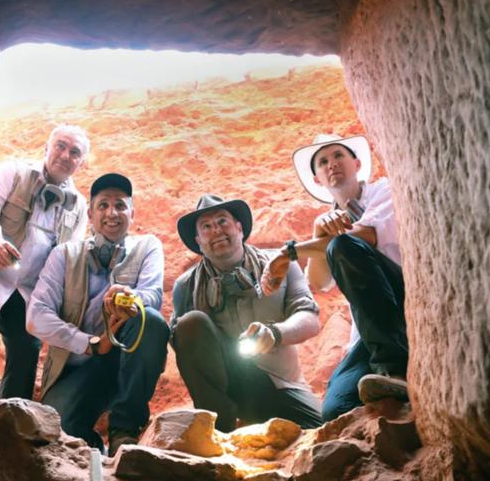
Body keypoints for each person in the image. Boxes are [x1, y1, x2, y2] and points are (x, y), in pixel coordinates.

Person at [261, 134, 408, 421]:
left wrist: (289, 252)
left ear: (356, 163)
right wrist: (319, 233)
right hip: (372, 331)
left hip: (404, 301)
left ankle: (395, 369)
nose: (332, 165)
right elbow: (319, 282)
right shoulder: (328, 220)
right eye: (323, 162)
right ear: (317, 179)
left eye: (338, 156)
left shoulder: (385, 191)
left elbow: (367, 236)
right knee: (335, 410)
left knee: (343, 245)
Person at [26, 173, 169, 456]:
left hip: (128, 360)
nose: (112, 213)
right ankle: (96, 452)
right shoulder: (63, 255)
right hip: (79, 366)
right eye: (103, 205)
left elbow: (152, 294)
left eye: (120, 205)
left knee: (151, 319)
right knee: (58, 430)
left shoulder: (148, 246)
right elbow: (36, 315)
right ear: (90, 214)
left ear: (132, 212)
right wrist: (92, 343)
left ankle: (124, 431)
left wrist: (129, 297)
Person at [0, 124, 89, 398]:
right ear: (46, 148)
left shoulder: (79, 206)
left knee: (27, 352)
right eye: (61, 146)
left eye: (74, 152)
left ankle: (10, 421)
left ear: (80, 163)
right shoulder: (12, 172)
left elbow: (70, 256)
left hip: (27, 291)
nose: (65, 155)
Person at [171, 194, 323, 432]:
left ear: (239, 228)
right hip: (230, 385)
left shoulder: (280, 264)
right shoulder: (185, 286)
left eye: (222, 221)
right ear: (198, 241)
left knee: (322, 431)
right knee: (190, 323)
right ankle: (220, 428)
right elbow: (184, 349)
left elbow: (310, 319)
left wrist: (274, 333)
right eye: (206, 227)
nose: (216, 231)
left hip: (281, 383)